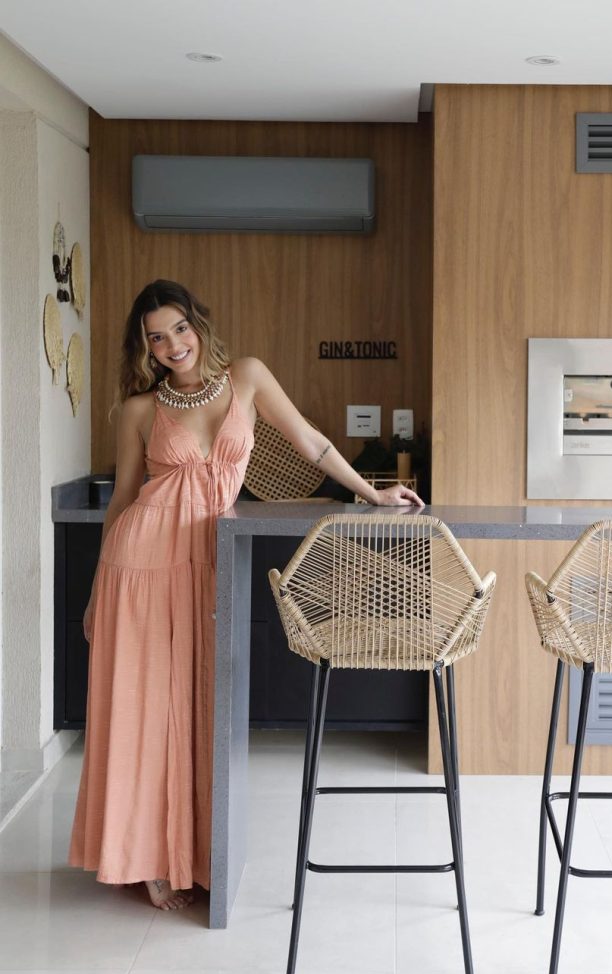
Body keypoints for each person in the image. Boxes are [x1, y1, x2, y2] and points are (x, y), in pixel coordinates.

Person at [68, 279, 423, 911]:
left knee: (207, 705)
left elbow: (311, 442)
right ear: (146, 349)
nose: (173, 345)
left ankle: (200, 851)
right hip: (142, 565)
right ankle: (148, 859)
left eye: (179, 328)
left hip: (211, 560)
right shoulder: (141, 409)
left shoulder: (247, 377)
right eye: (156, 337)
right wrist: (98, 586)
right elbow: (122, 499)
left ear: (198, 323)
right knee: (148, 707)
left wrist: (372, 493)